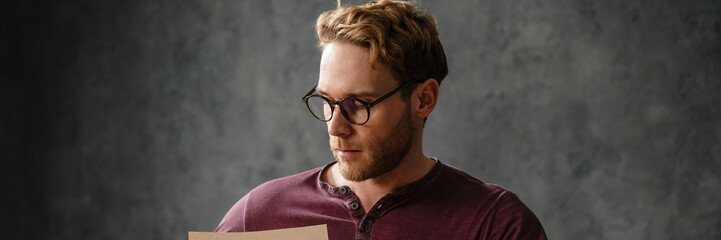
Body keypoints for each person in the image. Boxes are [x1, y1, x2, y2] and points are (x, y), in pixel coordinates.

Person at [215, 1, 547, 239]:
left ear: (423, 99)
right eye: (327, 102)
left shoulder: (495, 225)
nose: (335, 127)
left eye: (357, 105)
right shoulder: (259, 216)